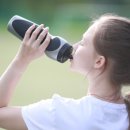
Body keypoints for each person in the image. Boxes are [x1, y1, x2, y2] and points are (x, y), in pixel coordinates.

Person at [0, 14, 130, 130]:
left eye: (83, 42)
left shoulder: (60, 114)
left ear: (99, 62)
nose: (74, 46)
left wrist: (21, 60)